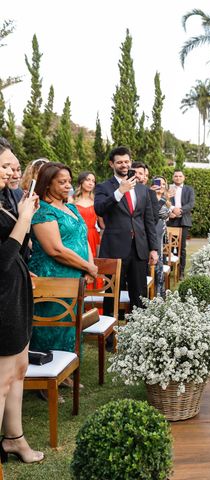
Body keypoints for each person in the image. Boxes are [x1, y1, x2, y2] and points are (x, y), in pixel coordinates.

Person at [0, 138, 44, 465]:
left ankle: (14, 439)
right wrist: (24, 220)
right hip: (2, 296)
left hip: (15, 290)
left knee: (19, 368)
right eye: (3, 166)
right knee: (2, 378)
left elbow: (20, 247)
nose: (10, 172)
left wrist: (26, 214)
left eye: (12, 165)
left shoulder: (6, 198)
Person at [28, 163, 97, 355]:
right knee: (52, 324)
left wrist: (90, 266)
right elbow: (55, 249)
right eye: (62, 182)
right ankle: (46, 372)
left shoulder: (72, 209)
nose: (68, 186)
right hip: (53, 276)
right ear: (48, 184)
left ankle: (69, 367)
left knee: (72, 324)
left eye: (69, 181)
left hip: (75, 275)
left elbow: (83, 239)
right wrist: (88, 267)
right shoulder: (43, 211)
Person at [94, 146, 158, 320]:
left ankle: (141, 333)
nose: (124, 165)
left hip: (139, 249)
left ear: (131, 162)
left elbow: (149, 221)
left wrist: (154, 248)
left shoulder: (143, 189)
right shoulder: (104, 187)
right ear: (111, 164)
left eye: (126, 161)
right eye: (119, 162)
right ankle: (109, 336)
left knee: (140, 294)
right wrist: (119, 192)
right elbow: (99, 208)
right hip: (115, 249)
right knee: (112, 293)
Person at [167, 170, 195, 280]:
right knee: (169, 246)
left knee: (181, 247)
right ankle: (170, 269)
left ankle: (181, 272)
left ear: (184, 178)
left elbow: (191, 204)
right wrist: (172, 211)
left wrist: (181, 210)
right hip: (171, 219)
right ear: (173, 178)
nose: (178, 178)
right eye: (176, 176)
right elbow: (165, 201)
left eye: (180, 176)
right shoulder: (169, 189)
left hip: (184, 220)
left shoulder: (189, 189)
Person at [73, 171, 104, 258]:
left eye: (93, 181)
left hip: (93, 236)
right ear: (81, 181)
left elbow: (102, 224)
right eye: (88, 180)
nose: (91, 183)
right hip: (76, 236)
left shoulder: (96, 201)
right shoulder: (71, 201)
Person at [151, 176, 171, 297]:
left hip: (161, 232)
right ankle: (156, 294)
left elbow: (167, 215)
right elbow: (158, 213)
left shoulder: (165, 200)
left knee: (160, 263)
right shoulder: (151, 198)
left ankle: (160, 292)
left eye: (164, 184)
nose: (161, 186)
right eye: (159, 183)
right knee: (157, 263)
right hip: (153, 232)